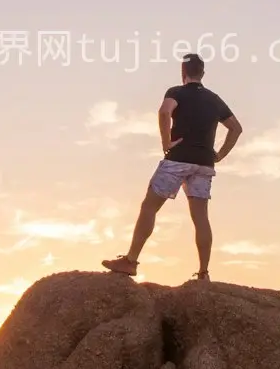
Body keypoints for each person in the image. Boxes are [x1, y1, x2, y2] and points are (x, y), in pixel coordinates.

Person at [102, 52, 243, 281]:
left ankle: (130, 261)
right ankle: (203, 273)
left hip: (178, 159)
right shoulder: (215, 99)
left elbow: (165, 111)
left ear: (183, 72)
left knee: (149, 206)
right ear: (203, 73)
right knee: (200, 218)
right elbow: (236, 128)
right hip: (204, 164)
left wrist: (166, 142)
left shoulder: (176, 92)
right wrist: (219, 155)